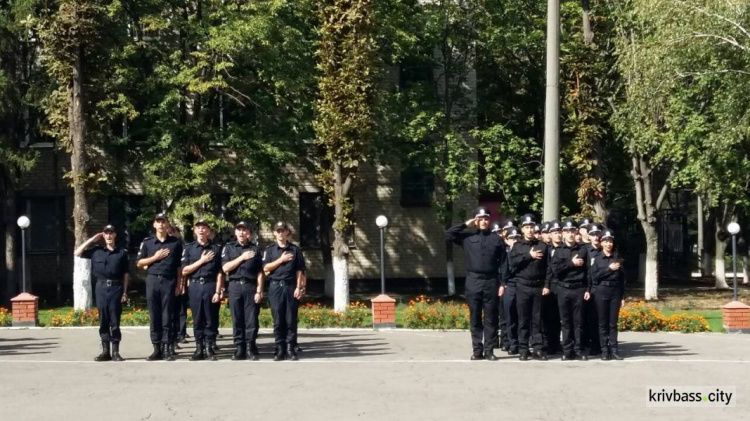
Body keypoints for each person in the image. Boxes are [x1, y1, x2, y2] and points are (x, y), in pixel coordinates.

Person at [446, 207, 508, 360]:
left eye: (486, 218)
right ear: (475, 220)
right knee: (475, 317)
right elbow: (448, 234)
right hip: (473, 280)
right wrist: (466, 224)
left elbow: (504, 263)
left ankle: (489, 351)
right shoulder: (467, 237)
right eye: (480, 219)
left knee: (491, 317)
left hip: (492, 281)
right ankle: (477, 350)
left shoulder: (496, 239)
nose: (483, 221)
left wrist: (503, 283)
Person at [75, 225, 129, 362]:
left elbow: (126, 274)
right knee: (103, 320)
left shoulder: (121, 253)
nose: (109, 236)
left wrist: (125, 292)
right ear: (103, 236)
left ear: (115, 235)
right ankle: (106, 351)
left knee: (115, 321)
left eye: (111, 233)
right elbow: (77, 252)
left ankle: (116, 352)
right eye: (106, 233)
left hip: (116, 288)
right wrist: (92, 239)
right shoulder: (96, 251)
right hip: (101, 287)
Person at [136, 213, 183, 361]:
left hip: (169, 281)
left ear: (167, 224)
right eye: (158, 222)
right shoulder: (148, 242)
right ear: (154, 225)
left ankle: (167, 348)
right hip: (153, 281)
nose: (161, 224)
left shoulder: (175, 243)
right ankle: (156, 348)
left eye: (163, 222)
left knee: (167, 315)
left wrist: (179, 284)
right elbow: (139, 263)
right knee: (154, 315)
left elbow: (179, 267)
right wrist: (155, 257)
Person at [181, 219, 224, 361]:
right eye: (198, 227)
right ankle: (199, 348)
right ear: (194, 230)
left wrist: (218, 291)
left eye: (204, 228)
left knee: (210, 318)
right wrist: (201, 261)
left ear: (208, 231)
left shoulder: (216, 248)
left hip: (210, 285)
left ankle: (209, 348)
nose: (201, 230)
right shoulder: (188, 248)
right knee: (197, 318)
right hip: (194, 286)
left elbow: (220, 272)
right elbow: (185, 270)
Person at [263, 221, 306, 361]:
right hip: (275, 287)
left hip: (290, 287)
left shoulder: (295, 250)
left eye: (283, 230)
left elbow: (300, 271)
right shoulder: (269, 250)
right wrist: (281, 260)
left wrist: (299, 288)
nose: (281, 233)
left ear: (287, 232)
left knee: (290, 319)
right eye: (278, 231)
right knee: (278, 319)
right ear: (274, 233)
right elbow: (266, 268)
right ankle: (279, 348)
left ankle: (290, 348)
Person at [222, 221, 264, 361]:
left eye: (244, 230)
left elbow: (260, 272)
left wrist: (259, 290)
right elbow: (225, 268)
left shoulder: (256, 249)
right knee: (237, 318)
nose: (241, 232)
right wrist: (242, 257)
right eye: (238, 229)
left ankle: (250, 347)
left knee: (251, 318)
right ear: (235, 233)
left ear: (248, 234)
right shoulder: (228, 248)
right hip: (234, 286)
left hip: (250, 286)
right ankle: (239, 348)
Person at [508, 213, 548, 361]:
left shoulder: (542, 245)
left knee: (537, 319)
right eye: (526, 227)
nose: (530, 230)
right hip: (522, 286)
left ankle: (538, 349)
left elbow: (548, 267)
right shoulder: (517, 246)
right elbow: (512, 264)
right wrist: (528, 256)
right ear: (522, 229)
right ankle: (523, 349)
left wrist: (547, 285)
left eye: (532, 227)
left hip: (538, 286)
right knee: (523, 319)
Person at [550, 219, 589, 361]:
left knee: (578, 322)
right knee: (565, 321)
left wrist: (588, 289)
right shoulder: (557, 251)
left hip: (579, 288)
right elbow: (555, 270)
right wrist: (571, 263)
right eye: (567, 231)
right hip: (563, 288)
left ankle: (578, 349)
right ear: (563, 233)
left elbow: (588, 271)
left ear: (575, 232)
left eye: (572, 231)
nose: (570, 234)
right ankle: (567, 350)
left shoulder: (583, 249)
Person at [590, 229, 626, 360]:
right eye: (605, 241)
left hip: (615, 292)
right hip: (601, 291)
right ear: (601, 243)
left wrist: (623, 296)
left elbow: (622, 279)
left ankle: (614, 350)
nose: (608, 244)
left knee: (613, 323)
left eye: (610, 241)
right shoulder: (597, 258)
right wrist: (609, 269)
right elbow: (594, 277)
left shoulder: (617, 258)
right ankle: (604, 350)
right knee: (602, 322)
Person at [541, 220, 562, 355]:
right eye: (554, 232)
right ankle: (548, 343)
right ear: (550, 234)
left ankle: (557, 343)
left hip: (562, 285)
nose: (558, 235)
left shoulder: (567, 248)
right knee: (548, 317)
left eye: (559, 232)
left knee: (560, 317)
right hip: (549, 286)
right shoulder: (545, 249)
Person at [168, 225, 189, 351]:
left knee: (179, 311)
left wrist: (182, 284)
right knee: (168, 314)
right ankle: (169, 341)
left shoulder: (181, 247)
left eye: (172, 232)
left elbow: (182, 268)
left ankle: (178, 336)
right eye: (168, 232)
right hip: (167, 283)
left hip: (178, 282)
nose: (170, 234)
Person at [501, 225, 521, 355]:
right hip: (509, 286)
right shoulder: (504, 254)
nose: (515, 240)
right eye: (512, 238)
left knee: (523, 317)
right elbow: (504, 272)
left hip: (523, 286)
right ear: (507, 240)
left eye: (517, 237)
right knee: (510, 317)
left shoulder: (525, 252)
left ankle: (522, 343)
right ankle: (512, 342)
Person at [490, 221, 509, 351]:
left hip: (505, 283)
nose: (498, 235)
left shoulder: (508, 247)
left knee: (504, 314)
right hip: (492, 282)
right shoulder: (490, 247)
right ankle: (493, 340)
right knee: (492, 313)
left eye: (499, 232)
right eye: (495, 233)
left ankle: (505, 341)